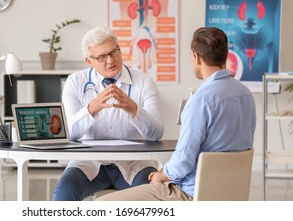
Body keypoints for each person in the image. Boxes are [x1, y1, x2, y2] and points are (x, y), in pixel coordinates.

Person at [97, 26, 256, 201]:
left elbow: (183, 161)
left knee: (103, 203)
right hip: (230, 193)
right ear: (225, 55)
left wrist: (161, 176)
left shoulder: (201, 101)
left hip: (191, 194)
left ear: (195, 56)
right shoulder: (245, 94)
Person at [52, 27, 164, 201]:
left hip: (133, 162)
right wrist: (91, 109)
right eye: (102, 57)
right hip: (89, 162)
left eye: (114, 52)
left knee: (155, 193)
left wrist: (134, 110)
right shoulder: (75, 82)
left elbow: (156, 134)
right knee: (65, 191)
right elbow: (68, 133)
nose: (111, 60)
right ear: (89, 61)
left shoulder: (143, 82)